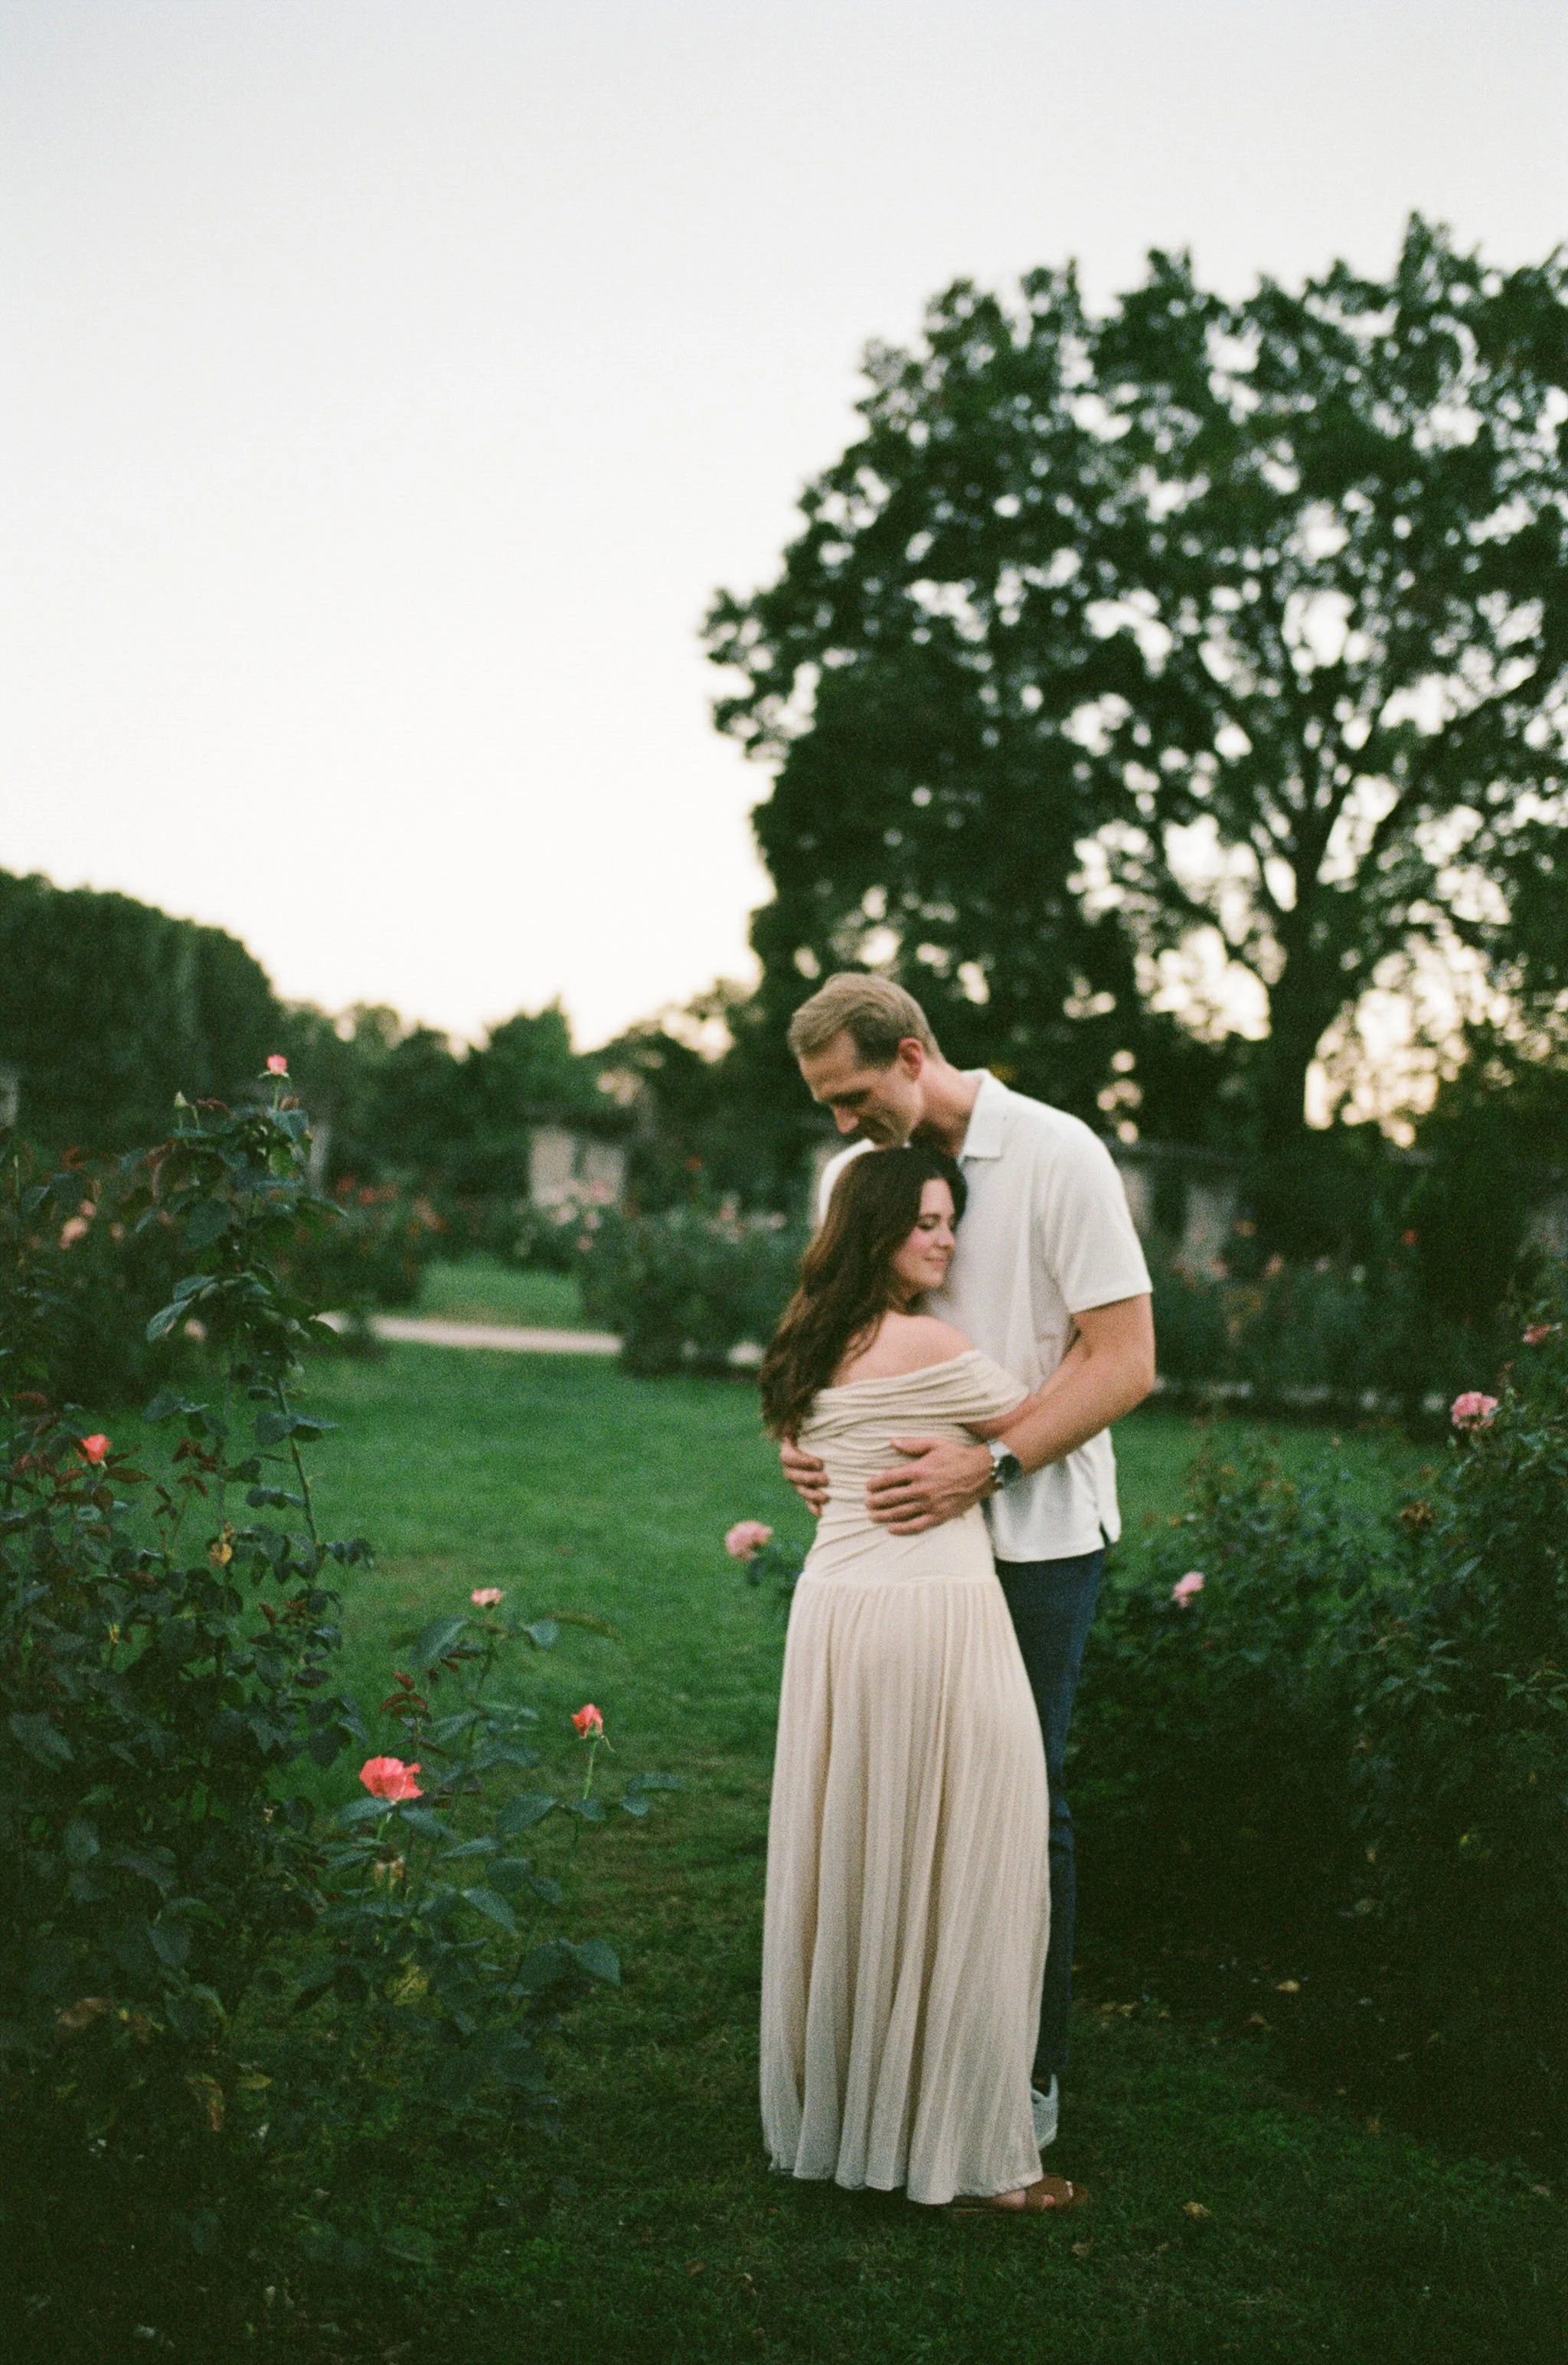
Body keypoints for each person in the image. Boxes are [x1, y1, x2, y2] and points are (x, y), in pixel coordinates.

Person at [780, 973, 1156, 2154]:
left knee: (1016, 1808)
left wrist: (986, 1465)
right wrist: (813, 1443)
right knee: (895, 1800)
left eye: (850, 1096)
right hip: (895, 1551)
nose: (842, 1126)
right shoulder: (862, 1177)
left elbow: (1127, 1360)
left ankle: (1016, 2090)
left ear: (909, 1053)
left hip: (1032, 1544)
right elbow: (830, 1320)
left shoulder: (1059, 1155)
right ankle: (895, 2066)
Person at [757, 1144, 1083, 2213]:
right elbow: (1045, 1423)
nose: (945, 1240)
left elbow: (803, 1442)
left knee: (859, 1849)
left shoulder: (807, 1339)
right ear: (879, 1229)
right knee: (977, 1855)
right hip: (932, 1612)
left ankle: (854, 2117)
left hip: (839, 1611)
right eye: (928, 1222)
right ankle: (972, 2158)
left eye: (951, 1221)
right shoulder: (930, 1343)